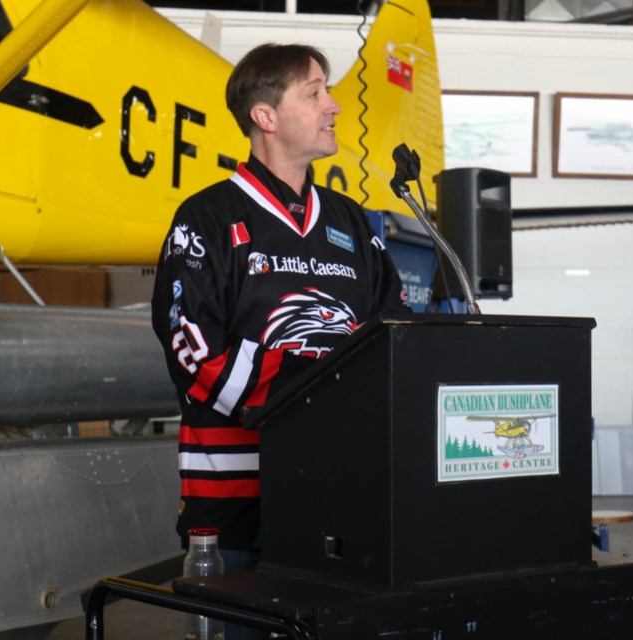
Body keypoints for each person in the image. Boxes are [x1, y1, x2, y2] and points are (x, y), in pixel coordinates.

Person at [151, 43, 409, 638]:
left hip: (345, 496)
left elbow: (393, 338)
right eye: (315, 93)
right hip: (235, 504)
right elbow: (191, 346)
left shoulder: (351, 223)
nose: (334, 106)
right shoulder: (206, 218)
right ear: (264, 117)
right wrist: (313, 401)